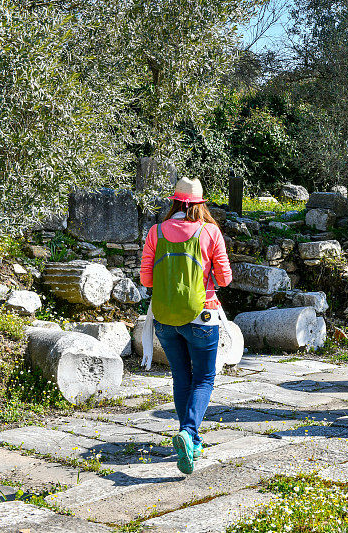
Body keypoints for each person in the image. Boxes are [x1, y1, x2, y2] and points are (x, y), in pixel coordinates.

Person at [139, 177, 232, 474]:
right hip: (202, 315)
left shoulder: (156, 232)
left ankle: (188, 436)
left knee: (181, 376)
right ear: (199, 204)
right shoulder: (210, 232)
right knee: (204, 378)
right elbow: (225, 279)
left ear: (175, 202)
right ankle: (189, 433)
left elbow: (146, 280)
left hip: (165, 318)